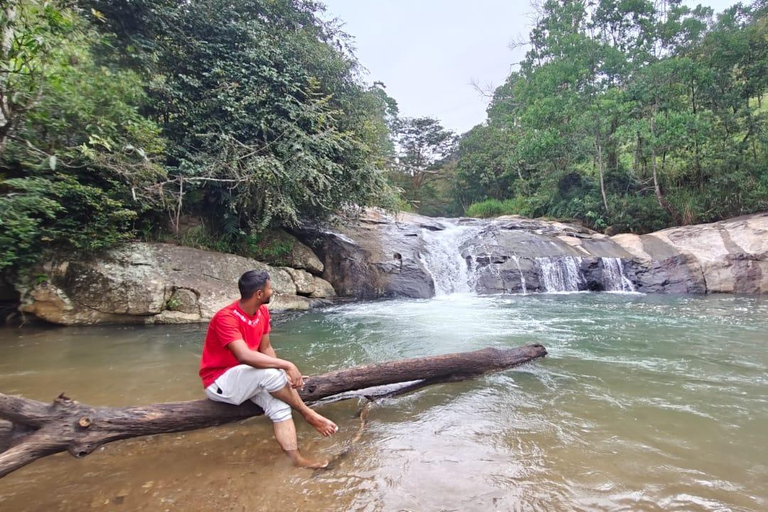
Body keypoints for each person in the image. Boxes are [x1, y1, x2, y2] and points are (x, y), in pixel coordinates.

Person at [199, 270, 337, 468]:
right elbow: (244, 356)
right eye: (270, 288)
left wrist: (282, 376)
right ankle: (308, 414)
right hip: (219, 382)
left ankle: (297, 460)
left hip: (249, 378)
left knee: (280, 406)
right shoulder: (225, 318)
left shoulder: (262, 312)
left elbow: (265, 348)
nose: (272, 291)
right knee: (272, 374)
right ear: (258, 294)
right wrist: (287, 366)